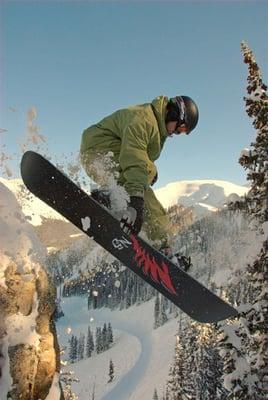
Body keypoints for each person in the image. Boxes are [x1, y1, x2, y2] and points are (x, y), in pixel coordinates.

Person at [80, 95, 199, 261]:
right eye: (181, 128)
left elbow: (140, 162)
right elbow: (134, 157)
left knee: (146, 189)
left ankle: (112, 199)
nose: (177, 133)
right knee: (143, 194)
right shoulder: (145, 120)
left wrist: (149, 173)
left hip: (105, 153)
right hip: (99, 151)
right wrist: (136, 199)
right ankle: (162, 248)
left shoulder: (156, 126)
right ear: (175, 114)